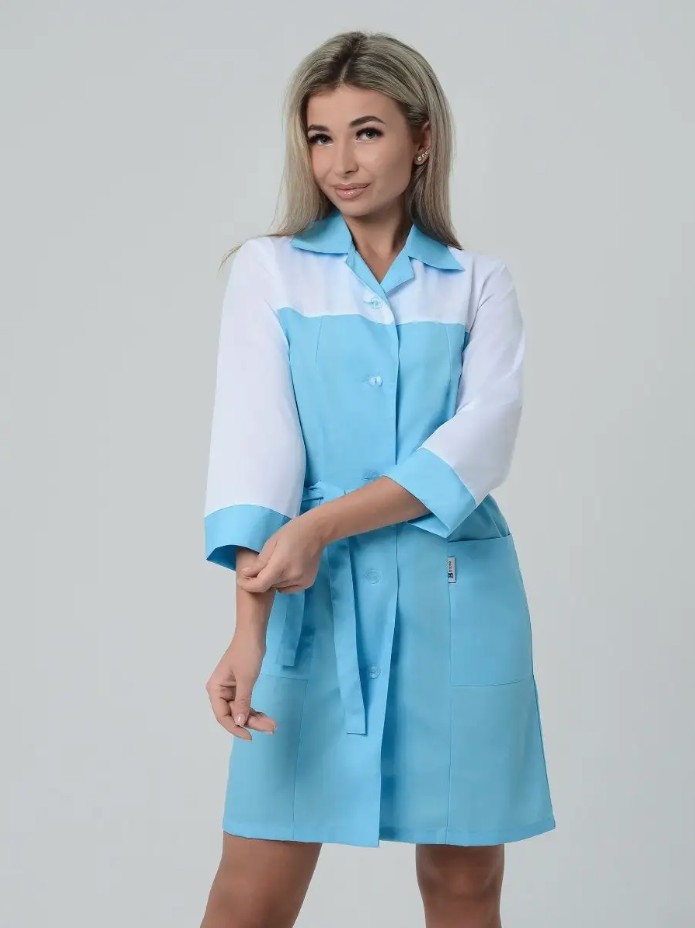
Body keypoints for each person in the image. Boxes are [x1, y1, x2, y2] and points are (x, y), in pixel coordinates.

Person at [200, 29, 556, 928]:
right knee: (251, 889)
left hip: (459, 602)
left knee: (464, 883)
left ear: (421, 138)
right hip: (311, 606)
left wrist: (322, 526)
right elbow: (255, 455)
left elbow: (480, 443)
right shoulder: (270, 270)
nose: (340, 163)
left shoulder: (477, 284)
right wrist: (247, 633)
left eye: (366, 132)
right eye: (320, 137)